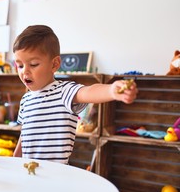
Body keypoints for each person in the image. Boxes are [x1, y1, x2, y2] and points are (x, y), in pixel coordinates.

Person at [12, 25, 138, 164]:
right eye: (20, 65)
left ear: (54, 64)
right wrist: (15, 161)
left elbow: (88, 92)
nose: (25, 72)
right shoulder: (26, 100)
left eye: (34, 64)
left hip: (55, 175)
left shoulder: (63, 92)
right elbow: (25, 135)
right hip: (29, 172)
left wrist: (111, 90)